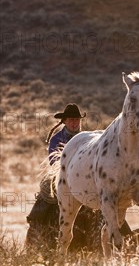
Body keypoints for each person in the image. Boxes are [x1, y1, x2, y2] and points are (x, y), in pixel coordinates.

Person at [26, 103, 102, 252]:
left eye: (77, 120)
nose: (74, 123)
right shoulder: (56, 139)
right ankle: (37, 224)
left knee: (108, 196)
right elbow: (54, 162)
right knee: (46, 194)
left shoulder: (88, 138)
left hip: (85, 176)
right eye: (71, 120)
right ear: (65, 121)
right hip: (59, 174)